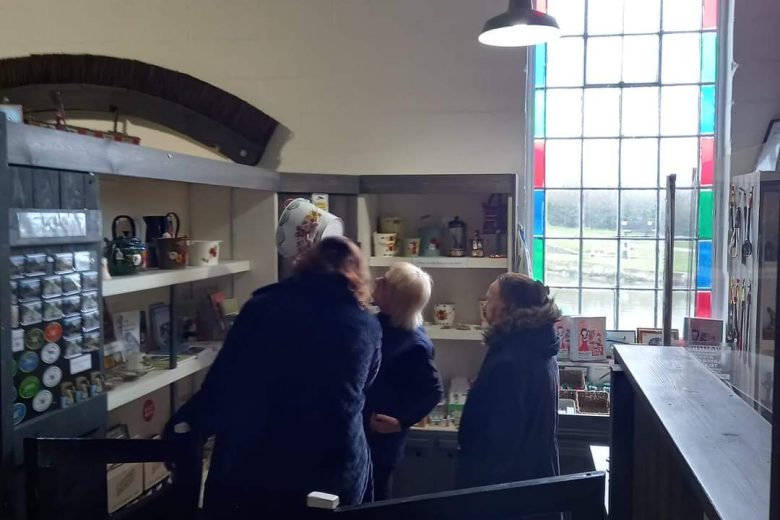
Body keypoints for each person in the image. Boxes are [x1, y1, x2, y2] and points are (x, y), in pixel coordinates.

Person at [165, 236, 382, 517]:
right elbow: (366, 384)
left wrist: (184, 427)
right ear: (357, 274)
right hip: (335, 464)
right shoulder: (366, 324)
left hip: (260, 462)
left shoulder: (263, 308)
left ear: (305, 264)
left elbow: (224, 384)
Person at [458, 273, 562, 490]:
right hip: (535, 484)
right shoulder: (541, 348)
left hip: (507, 495)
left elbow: (498, 443)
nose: (484, 305)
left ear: (506, 307)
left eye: (489, 299)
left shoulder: (509, 362)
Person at [364, 262, 443, 500]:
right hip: (365, 433)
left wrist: (401, 421)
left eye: (385, 281)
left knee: (374, 502)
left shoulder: (413, 345)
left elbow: (433, 391)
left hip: (380, 442)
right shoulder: (380, 324)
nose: (377, 281)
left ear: (396, 299)